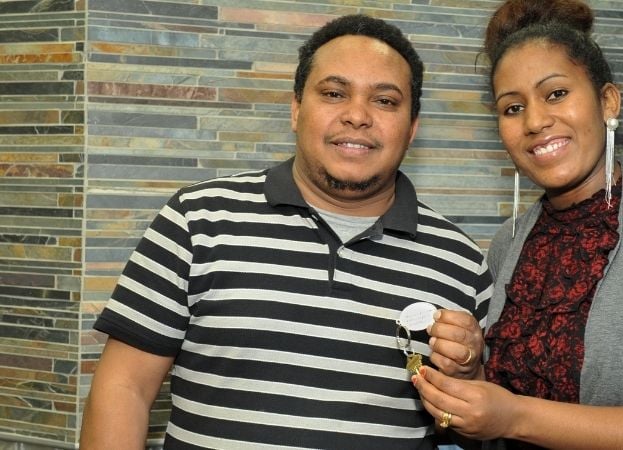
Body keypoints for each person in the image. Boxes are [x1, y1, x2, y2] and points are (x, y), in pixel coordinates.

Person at [80, 14, 493, 449]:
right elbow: (123, 390)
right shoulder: (196, 221)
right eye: (334, 93)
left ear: (412, 128)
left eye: (385, 101)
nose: (357, 116)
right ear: (296, 109)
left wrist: (466, 374)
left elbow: (466, 428)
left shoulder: (460, 264)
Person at [413, 0, 623, 448]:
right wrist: (470, 374)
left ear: (607, 101)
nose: (535, 121)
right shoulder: (508, 245)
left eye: (556, 94)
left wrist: (514, 416)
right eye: (513, 108)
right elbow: (498, 411)